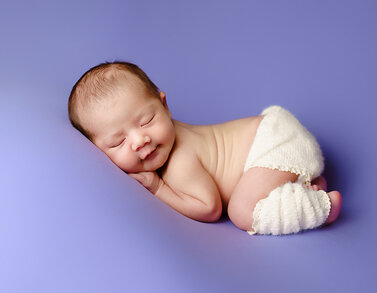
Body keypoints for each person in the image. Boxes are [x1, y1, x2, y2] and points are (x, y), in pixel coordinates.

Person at [68, 61, 342, 235]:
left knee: (242, 210)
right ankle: (304, 184)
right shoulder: (170, 138)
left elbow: (210, 208)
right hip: (277, 136)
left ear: (164, 106)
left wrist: (158, 188)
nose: (140, 140)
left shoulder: (179, 160)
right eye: (119, 142)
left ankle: (322, 207)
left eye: (146, 120)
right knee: (253, 193)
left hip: (275, 143)